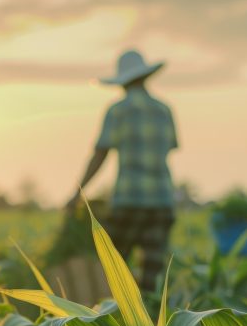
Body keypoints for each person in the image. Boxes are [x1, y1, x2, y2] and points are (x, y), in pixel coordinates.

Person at [66, 49, 178, 292]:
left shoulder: (118, 110)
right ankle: (150, 319)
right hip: (161, 199)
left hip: (129, 199)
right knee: (153, 272)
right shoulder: (163, 110)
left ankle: (119, 318)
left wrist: (78, 193)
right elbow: (170, 147)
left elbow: (100, 154)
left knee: (114, 269)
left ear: (123, 81)